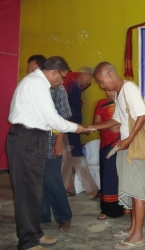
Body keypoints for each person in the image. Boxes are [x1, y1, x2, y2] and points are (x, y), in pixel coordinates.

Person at [7, 56, 87, 250]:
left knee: (35, 190)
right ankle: (28, 242)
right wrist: (77, 128)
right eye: (61, 78)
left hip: (35, 138)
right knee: (27, 192)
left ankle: (35, 233)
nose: (61, 83)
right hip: (26, 139)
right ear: (53, 72)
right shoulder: (36, 84)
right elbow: (52, 118)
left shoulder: (39, 84)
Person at [87, 62, 145, 249]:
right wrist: (94, 127)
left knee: (137, 191)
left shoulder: (129, 88)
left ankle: (138, 235)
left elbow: (142, 115)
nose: (101, 86)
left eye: (101, 81)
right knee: (129, 187)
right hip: (125, 145)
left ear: (110, 75)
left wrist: (128, 139)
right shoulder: (120, 94)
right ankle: (132, 228)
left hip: (134, 146)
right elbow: (117, 120)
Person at [62, 68, 98, 196]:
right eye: (88, 77)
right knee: (77, 157)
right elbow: (67, 109)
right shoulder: (71, 86)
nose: (88, 81)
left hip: (71, 127)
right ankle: (91, 190)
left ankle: (63, 188)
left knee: (69, 159)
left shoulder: (74, 87)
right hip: (71, 128)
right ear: (81, 74)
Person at [93, 89, 124, 220]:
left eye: (112, 90)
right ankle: (106, 209)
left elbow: (132, 123)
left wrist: (119, 126)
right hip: (106, 145)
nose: (110, 93)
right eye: (107, 90)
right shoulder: (101, 104)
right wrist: (109, 126)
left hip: (122, 145)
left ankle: (125, 207)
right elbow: (96, 124)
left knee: (122, 177)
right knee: (107, 177)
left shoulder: (124, 104)